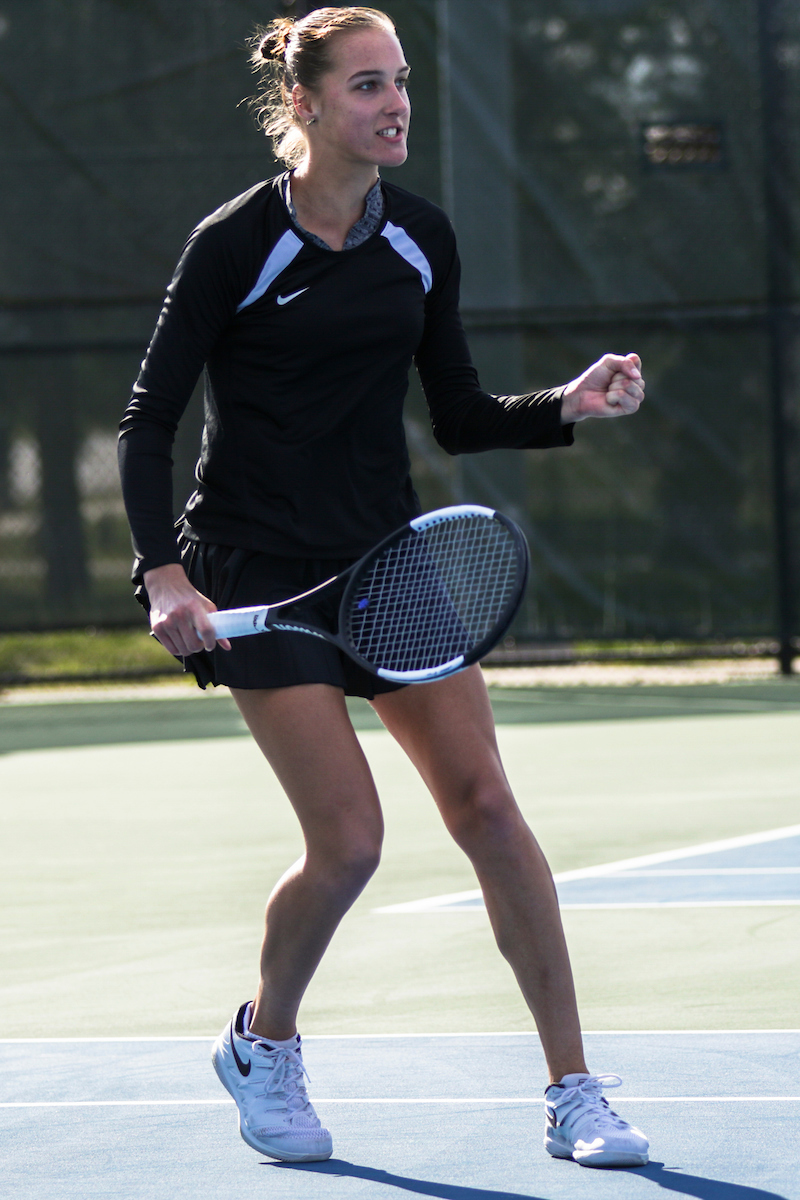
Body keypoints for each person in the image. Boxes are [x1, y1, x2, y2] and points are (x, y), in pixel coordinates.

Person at [118, 5, 649, 1172]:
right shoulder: (233, 243)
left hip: (386, 565)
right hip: (257, 564)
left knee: (488, 810)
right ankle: (263, 1042)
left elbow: (453, 413)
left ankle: (572, 1091)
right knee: (350, 841)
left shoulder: (420, 238)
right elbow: (148, 420)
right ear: (304, 105)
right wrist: (164, 576)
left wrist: (562, 404)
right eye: (366, 84)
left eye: (400, 80)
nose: (395, 103)